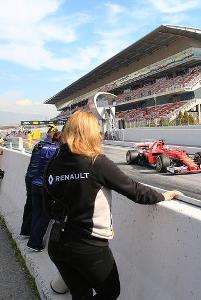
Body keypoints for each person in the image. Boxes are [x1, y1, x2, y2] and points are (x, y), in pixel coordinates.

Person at [44, 111, 182, 299]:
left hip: (57, 243)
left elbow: (47, 205)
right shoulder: (96, 162)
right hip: (89, 246)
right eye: (97, 131)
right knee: (110, 292)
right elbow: (134, 190)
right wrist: (162, 196)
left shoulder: (53, 163)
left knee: (80, 294)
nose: (100, 135)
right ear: (91, 134)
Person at [21, 125, 59, 237]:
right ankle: (32, 235)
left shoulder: (39, 144)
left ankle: (25, 231)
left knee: (30, 204)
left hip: (30, 176)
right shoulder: (53, 147)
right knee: (40, 209)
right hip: (38, 180)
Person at [27, 131, 62, 251]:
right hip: (44, 187)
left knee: (36, 213)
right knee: (46, 215)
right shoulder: (57, 151)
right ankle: (34, 242)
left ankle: (32, 237)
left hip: (34, 184)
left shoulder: (43, 147)